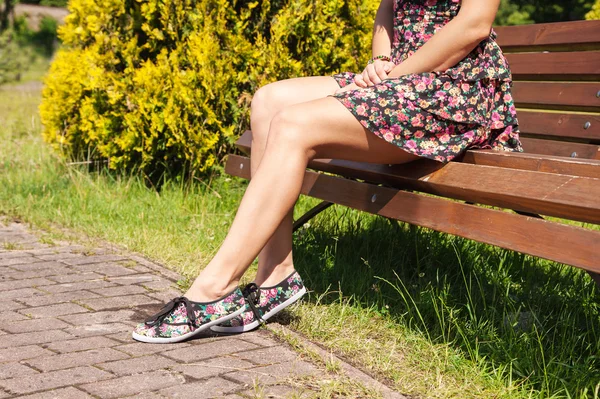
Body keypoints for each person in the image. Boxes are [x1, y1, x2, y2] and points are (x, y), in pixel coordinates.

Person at [132, 0, 523, 343]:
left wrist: (397, 74)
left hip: (451, 91)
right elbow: (388, 9)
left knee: (293, 125)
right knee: (270, 102)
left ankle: (214, 288)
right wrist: (382, 62)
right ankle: (275, 277)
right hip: (401, 79)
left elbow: (474, 23)